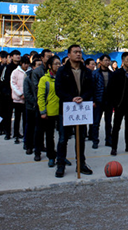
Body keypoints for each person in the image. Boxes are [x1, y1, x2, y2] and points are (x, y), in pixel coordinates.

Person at [55, 45, 94, 177]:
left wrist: (83, 98)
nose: (78, 54)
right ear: (69, 55)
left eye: (80, 52)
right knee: (63, 139)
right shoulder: (62, 71)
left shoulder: (87, 71)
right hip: (67, 108)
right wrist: (71, 98)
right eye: (75, 52)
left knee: (81, 138)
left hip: (82, 108)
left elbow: (91, 89)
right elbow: (58, 89)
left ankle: (81, 164)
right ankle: (60, 165)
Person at [37, 56, 61, 169]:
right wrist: (43, 111)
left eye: (59, 63)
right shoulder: (44, 79)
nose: (58, 66)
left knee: (63, 137)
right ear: (50, 66)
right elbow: (41, 97)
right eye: (56, 64)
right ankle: (51, 157)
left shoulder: (62, 78)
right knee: (50, 136)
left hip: (61, 111)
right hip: (49, 113)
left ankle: (61, 156)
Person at [108, 52, 128, 155]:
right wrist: (115, 104)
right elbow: (111, 89)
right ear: (122, 61)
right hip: (119, 105)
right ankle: (114, 147)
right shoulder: (116, 74)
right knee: (116, 128)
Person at [90, 54, 113, 149]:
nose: (107, 62)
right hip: (98, 101)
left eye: (109, 60)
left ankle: (108, 140)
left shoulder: (112, 74)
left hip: (109, 101)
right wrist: (93, 101)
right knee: (96, 122)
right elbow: (91, 88)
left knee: (108, 122)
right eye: (106, 60)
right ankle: (95, 140)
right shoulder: (95, 73)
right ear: (100, 61)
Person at [23, 56, 42, 156]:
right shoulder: (28, 78)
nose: (40, 68)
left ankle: (39, 146)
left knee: (39, 129)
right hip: (32, 107)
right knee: (30, 127)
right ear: (33, 67)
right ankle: (29, 146)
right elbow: (27, 94)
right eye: (38, 65)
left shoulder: (43, 77)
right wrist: (36, 103)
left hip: (41, 107)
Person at [10, 56, 30, 144]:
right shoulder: (15, 72)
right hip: (18, 99)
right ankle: (16, 134)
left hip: (27, 99)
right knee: (17, 118)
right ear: (21, 64)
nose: (26, 66)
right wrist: (20, 94)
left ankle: (25, 135)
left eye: (28, 64)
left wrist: (27, 95)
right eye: (25, 64)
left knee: (26, 119)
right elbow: (13, 84)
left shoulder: (29, 72)